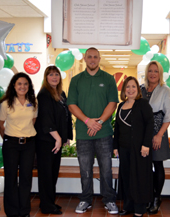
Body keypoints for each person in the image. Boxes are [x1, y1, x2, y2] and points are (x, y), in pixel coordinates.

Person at [67, 47, 119, 214]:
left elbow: (112, 103)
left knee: (106, 169)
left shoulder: (109, 79)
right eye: (89, 57)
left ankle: (109, 200)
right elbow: (72, 105)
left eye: (95, 57)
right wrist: (88, 121)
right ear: (84, 58)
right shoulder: (76, 80)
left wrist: (100, 122)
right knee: (85, 169)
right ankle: (85, 199)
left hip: (104, 133)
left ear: (99, 58)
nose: (92, 59)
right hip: (83, 133)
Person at [0, 72, 37, 217]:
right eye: (19, 84)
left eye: (25, 84)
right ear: (14, 85)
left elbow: (33, 120)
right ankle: (12, 211)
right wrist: (9, 137)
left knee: (26, 178)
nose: (22, 86)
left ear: (29, 86)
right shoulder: (6, 103)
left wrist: (24, 132)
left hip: (29, 144)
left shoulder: (33, 102)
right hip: (11, 145)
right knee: (11, 178)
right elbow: (0, 124)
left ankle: (24, 210)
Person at [113, 76, 154, 217]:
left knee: (139, 178)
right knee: (126, 177)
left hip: (139, 149)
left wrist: (146, 145)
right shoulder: (120, 106)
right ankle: (128, 206)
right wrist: (115, 146)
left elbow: (150, 124)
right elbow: (117, 128)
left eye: (133, 86)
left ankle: (139, 208)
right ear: (124, 90)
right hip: (124, 149)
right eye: (128, 87)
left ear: (138, 89)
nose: (130, 89)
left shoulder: (142, 104)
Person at [35, 65, 73, 215]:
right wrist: (57, 138)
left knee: (52, 173)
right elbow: (46, 119)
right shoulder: (44, 94)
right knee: (46, 174)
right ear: (46, 77)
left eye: (56, 74)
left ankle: (49, 202)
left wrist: (66, 137)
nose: (54, 77)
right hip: (46, 141)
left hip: (56, 140)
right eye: (51, 75)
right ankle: (46, 205)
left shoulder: (60, 93)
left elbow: (66, 116)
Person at [140, 61, 170, 214]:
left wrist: (159, 135)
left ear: (160, 74)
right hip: (142, 132)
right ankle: (147, 197)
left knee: (158, 165)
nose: (153, 74)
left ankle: (156, 198)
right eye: (150, 71)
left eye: (156, 71)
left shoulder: (165, 90)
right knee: (144, 166)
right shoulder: (140, 89)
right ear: (147, 73)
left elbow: (169, 114)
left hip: (158, 131)